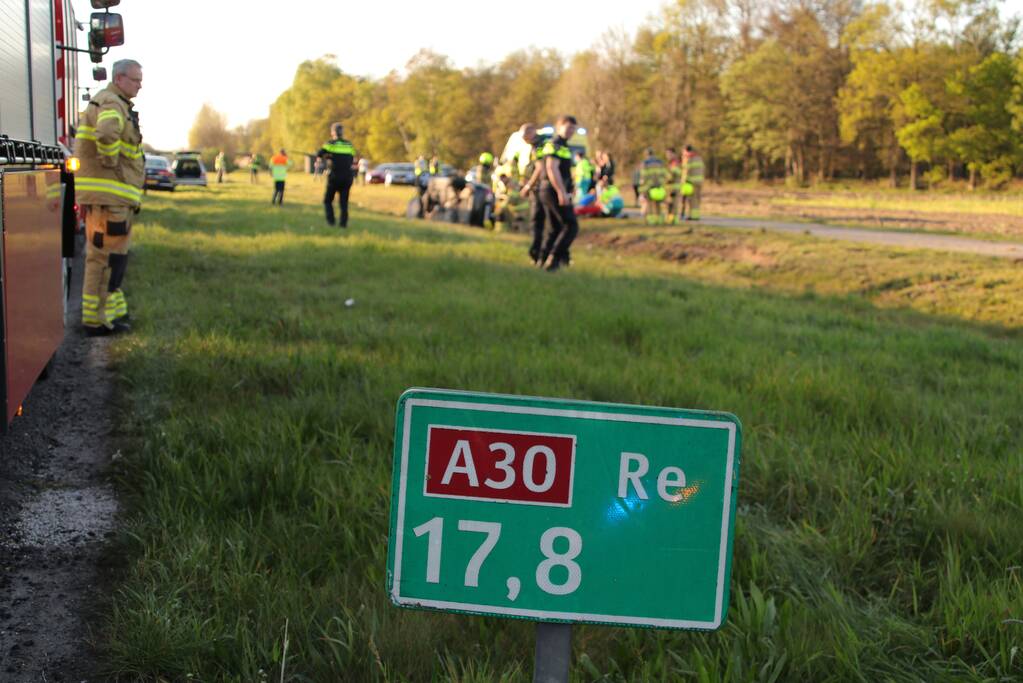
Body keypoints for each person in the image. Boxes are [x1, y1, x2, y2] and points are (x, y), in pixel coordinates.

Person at [74, 58, 145, 337]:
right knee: (104, 260)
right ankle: (96, 321)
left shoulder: (112, 101)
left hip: (112, 199)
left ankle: (106, 316)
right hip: (110, 199)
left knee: (111, 259)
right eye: (135, 79)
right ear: (119, 79)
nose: (140, 85)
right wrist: (109, 160)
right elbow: (105, 133)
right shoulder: (112, 103)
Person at [537, 115, 581, 272]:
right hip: (552, 190)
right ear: (559, 126)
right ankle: (554, 258)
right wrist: (561, 192)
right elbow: (551, 168)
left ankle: (542, 260)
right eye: (568, 127)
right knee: (571, 226)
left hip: (549, 189)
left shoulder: (563, 145)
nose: (571, 131)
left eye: (573, 129)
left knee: (555, 227)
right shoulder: (555, 144)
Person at [517, 123, 551, 265]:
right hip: (546, 187)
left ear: (531, 133)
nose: (524, 140)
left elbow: (539, 168)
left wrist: (528, 186)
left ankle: (536, 254)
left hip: (539, 189)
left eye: (525, 137)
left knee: (537, 222)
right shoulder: (545, 142)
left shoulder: (539, 145)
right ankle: (545, 255)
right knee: (550, 223)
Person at [315, 122, 357, 228]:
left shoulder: (330, 144)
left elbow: (320, 153)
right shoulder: (349, 144)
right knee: (344, 202)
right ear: (342, 132)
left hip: (334, 176)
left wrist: (328, 156)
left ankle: (331, 222)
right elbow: (350, 159)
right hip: (347, 177)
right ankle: (343, 224)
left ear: (333, 132)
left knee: (327, 200)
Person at [639, 148, 668, 224]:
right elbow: (665, 174)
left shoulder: (646, 163)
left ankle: (651, 221)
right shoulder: (660, 162)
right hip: (659, 186)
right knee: (659, 205)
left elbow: (643, 176)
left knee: (650, 204)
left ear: (647, 154)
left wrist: (641, 188)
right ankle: (660, 220)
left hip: (649, 186)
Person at [681, 145, 705, 220]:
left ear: (687, 151)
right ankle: (696, 215)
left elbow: (686, 171)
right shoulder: (699, 158)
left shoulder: (689, 159)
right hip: (700, 181)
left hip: (691, 182)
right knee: (697, 199)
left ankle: (693, 216)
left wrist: (683, 182)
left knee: (692, 200)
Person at [665, 147, 682, 224]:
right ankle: (670, 220)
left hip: (675, 187)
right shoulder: (671, 163)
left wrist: (667, 177)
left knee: (674, 205)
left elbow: (674, 174)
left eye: (669, 154)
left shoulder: (675, 163)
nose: (667, 155)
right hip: (670, 187)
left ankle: (674, 220)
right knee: (669, 205)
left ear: (673, 154)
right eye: (666, 154)